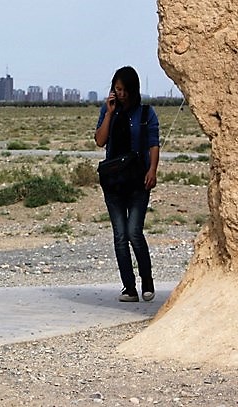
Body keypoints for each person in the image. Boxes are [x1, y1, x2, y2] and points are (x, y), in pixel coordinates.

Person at [94, 66, 160, 303]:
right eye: (116, 89)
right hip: (113, 182)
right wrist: (110, 113)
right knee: (120, 235)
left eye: (123, 90)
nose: (119, 94)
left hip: (137, 180)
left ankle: (147, 283)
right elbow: (100, 140)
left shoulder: (145, 113)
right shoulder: (108, 110)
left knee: (134, 232)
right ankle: (129, 287)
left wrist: (152, 170)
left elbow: (153, 143)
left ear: (133, 90)